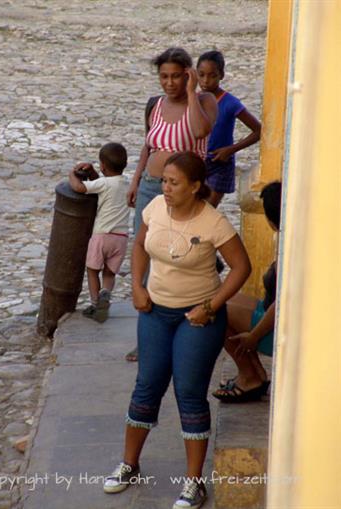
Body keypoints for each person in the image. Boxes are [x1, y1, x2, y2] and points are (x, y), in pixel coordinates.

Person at [103, 152, 251, 509]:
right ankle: (129, 464)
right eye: (165, 181)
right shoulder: (154, 206)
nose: (166, 188)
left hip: (197, 319)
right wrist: (137, 287)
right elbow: (139, 244)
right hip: (154, 312)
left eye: (174, 183)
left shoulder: (213, 223)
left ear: (195, 187)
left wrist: (211, 307)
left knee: (188, 391)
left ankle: (194, 483)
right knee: (147, 385)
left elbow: (240, 267)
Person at [125, 46, 218, 361]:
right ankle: (148, 331)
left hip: (184, 194)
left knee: (176, 254)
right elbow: (148, 146)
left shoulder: (204, 101)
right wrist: (136, 181)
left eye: (176, 76)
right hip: (152, 189)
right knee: (146, 250)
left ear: (188, 74)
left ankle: (183, 321)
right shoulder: (155, 105)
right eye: (164, 76)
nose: (169, 83)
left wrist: (192, 92)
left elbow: (200, 131)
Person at [212, 181, 281, 403]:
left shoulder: (292, 252)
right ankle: (255, 374)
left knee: (215, 313)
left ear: (271, 220)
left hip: (276, 324)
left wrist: (254, 336)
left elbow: (280, 305)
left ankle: (249, 376)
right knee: (217, 298)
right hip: (269, 310)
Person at [68, 142, 129, 323]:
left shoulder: (103, 183)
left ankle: (95, 304)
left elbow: (80, 188)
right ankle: (105, 294)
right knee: (109, 273)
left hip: (102, 236)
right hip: (121, 238)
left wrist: (72, 175)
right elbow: (101, 181)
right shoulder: (126, 183)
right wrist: (94, 171)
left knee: (93, 270)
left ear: (102, 166)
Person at [197, 50, 261, 207]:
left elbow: (258, 130)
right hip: (196, 161)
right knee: (192, 208)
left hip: (220, 163)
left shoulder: (230, 103)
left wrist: (230, 150)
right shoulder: (194, 100)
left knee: (207, 212)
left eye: (212, 76)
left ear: (221, 75)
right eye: (201, 75)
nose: (206, 80)